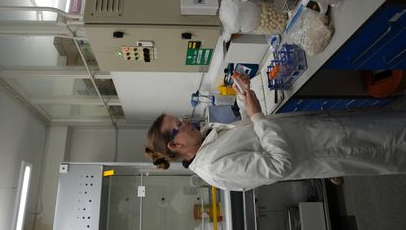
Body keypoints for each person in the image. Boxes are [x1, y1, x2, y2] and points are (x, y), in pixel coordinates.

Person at [144, 76, 406, 191]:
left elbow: (252, 137)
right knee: (395, 140)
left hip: (325, 131)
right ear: (175, 145)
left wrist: (245, 98)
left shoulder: (209, 143)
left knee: (392, 123)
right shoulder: (215, 169)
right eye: (180, 125)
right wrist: (257, 115)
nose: (188, 122)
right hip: (335, 147)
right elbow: (280, 165)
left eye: (182, 119)